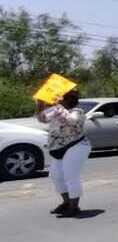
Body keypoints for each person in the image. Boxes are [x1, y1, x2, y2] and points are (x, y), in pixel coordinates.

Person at [35, 88, 90, 217]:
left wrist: (58, 108)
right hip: (59, 148)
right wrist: (40, 105)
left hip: (76, 146)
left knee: (71, 176)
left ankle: (74, 207)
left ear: (68, 100)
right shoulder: (56, 110)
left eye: (60, 98)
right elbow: (42, 119)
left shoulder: (78, 111)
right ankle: (66, 202)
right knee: (56, 175)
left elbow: (72, 121)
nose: (57, 99)